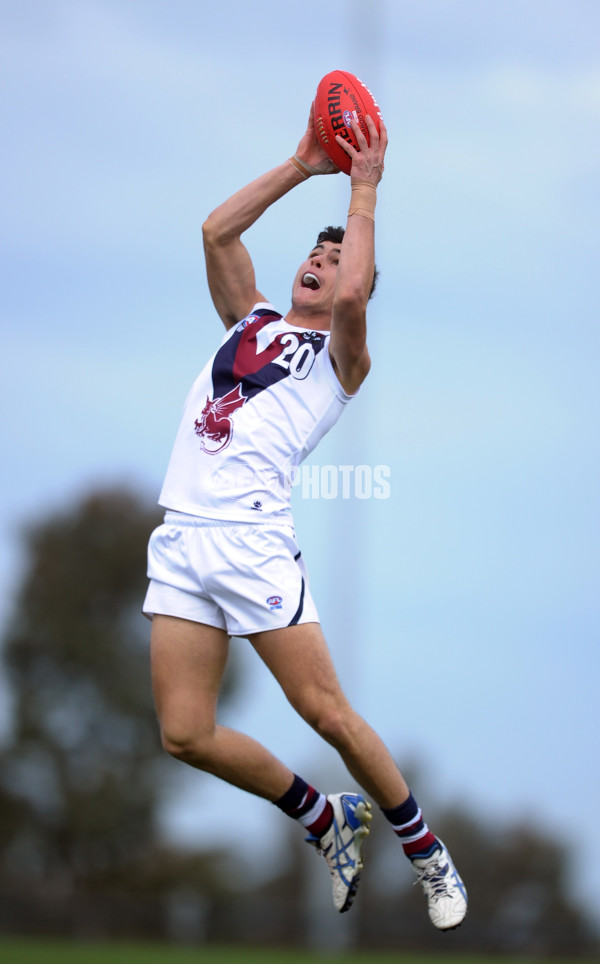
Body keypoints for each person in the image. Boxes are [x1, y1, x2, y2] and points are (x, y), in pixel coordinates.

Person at [143, 102, 467, 931]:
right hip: (182, 539)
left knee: (325, 713)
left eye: (334, 257)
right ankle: (327, 819)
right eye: (313, 253)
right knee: (184, 733)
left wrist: (364, 190)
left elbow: (358, 287)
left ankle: (427, 854)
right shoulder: (248, 318)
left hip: (251, 544)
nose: (321, 264)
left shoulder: (339, 358)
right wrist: (301, 165)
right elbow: (216, 231)